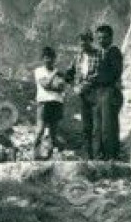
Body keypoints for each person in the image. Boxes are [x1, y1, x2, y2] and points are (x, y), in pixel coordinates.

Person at [88, 24, 124, 160]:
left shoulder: (114, 52)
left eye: (104, 38)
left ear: (111, 38)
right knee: (97, 127)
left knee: (108, 126)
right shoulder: (98, 54)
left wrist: (97, 78)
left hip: (109, 91)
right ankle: (98, 156)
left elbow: (115, 73)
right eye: (99, 38)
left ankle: (111, 156)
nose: (101, 40)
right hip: (98, 92)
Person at [67, 30, 100, 159]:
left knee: (97, 125)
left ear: (90, 41)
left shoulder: (98, 55)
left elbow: (99, 73)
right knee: (86, 125)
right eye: (80, 40)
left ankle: (99, 154)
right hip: (83, 96)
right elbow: (69, 73)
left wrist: (87, 84)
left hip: (96, 94)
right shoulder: (78, 57)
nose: (82, 43)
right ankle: (88, 154)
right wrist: (73, 86)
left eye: (85, 40)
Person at [32, 45, 68, 160]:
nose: (49, 60)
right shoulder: (39, 71)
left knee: (53, 132)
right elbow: (46, 85)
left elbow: (61, 87)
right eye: (47, 57)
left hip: (57, 103)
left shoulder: (60, 74)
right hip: (44, 103)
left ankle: (49, 156)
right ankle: (35, 154)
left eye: (51, 58)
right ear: (43, 59)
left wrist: (52, 84)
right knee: (40, 129)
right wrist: (54, 74)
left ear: (54, 59)